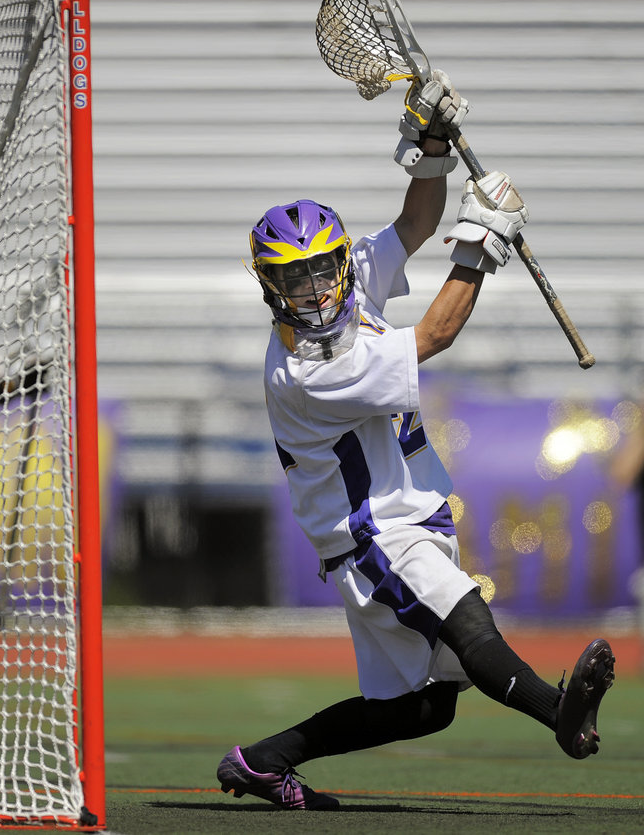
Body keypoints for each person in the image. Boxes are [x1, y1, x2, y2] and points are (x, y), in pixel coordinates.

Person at [216, 71, 615, 810]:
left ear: (336, 263)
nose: (312, 292)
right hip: (373, 535)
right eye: (291, 280)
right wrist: (484, 240)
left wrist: (431, 147)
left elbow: (413, 226)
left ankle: (264, 758)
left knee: (426, 706)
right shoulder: (306, 369)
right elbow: (436, 332)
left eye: (318, 272)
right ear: (269, 288)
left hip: (406, 515)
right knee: (467, 616)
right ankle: (560, 715)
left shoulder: (348, 289)